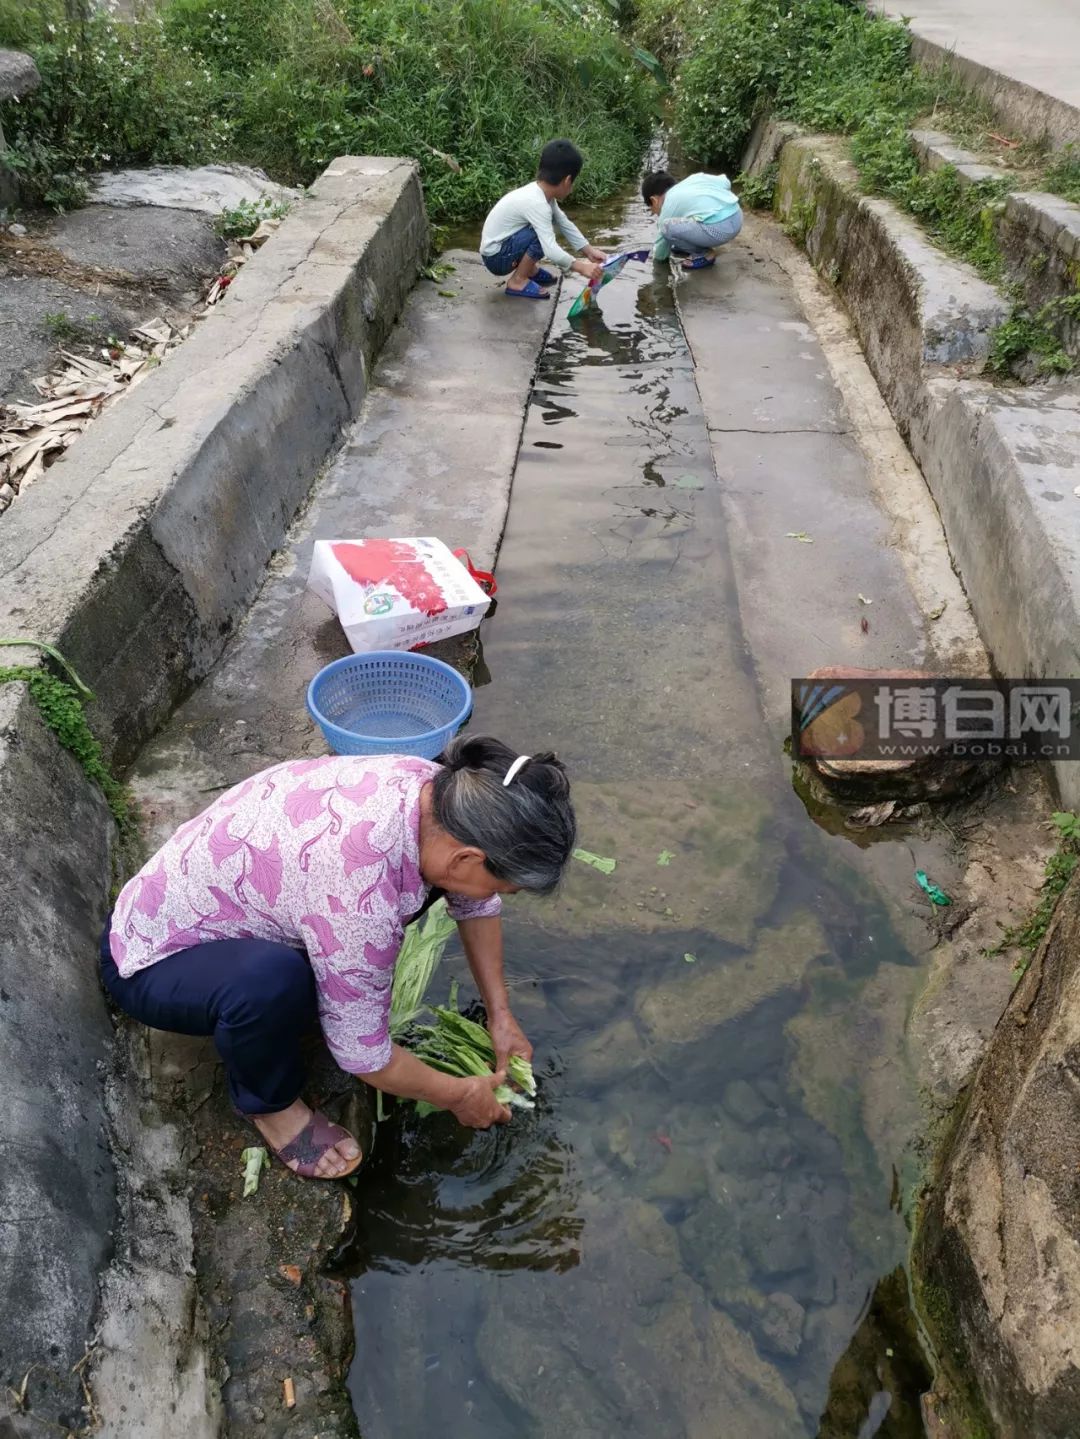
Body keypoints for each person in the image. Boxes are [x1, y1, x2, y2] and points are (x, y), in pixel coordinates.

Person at [100, 737, 576, 1181]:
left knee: (322, 973)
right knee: (273, 983)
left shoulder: (436, 790)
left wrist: (501, 1015)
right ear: (466, 859)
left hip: (230, 904)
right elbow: (362, 1054)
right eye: (502, 884)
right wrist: (458, 1095)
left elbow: (474, 900)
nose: (498, 896)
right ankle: (269, 1105)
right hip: (151, 961)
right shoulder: (361, 894)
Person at [480, 138, 607, 300]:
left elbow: (564, 223)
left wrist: (589, 251)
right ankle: (518, 281)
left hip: (499, 248)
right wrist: (581, 267)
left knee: (547, 225)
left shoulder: (542, 194)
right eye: (573, 182)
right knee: (541, 235)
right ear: (567, 180)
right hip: (496, 258)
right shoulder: (538, 204)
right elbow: (550, 249)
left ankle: (529, 270)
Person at [642, 169, 743, 270]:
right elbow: (725, 182)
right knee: (687, 220)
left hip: (720, 230)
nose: (655, 213)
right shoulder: (693, 180)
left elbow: (661, 247)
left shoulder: (668, 203)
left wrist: (657, 265)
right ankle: (689, 246)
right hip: (737, 216)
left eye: (652, 210)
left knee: (666, 227)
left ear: (654, 200)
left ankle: (703, 253)